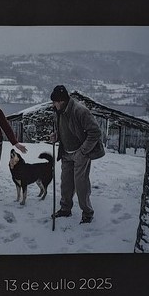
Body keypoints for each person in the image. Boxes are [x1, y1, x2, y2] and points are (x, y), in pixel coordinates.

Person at [49, 85, 105, 224]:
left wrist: (83, 151)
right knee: (66, 184)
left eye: (55, 102)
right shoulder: (58, 111)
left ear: (62, 101)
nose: (53, 104)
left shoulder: (80, 111)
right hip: (66, 153)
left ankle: (87, 213)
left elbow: (95, 132)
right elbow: (64, 129)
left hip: (81, 153)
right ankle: (65, 209)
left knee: (81, 185)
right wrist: (56, 136)